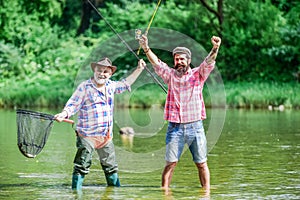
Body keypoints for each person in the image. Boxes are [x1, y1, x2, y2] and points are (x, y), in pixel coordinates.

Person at [139, 35, 221, 192]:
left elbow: (209, 62)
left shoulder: (198, 75)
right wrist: (146, 48)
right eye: (176, 59)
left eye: (182, 59)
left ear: (188, 61)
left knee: (201, 163)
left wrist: (215, 48)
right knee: (170, 163)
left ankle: (206, 193)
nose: (179, 62)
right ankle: (165, 193)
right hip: (175, 128)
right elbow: (157, 63)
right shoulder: (169, 75)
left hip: (196, 127)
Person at [55, 57, 145, 190]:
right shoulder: (85, 87)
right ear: (94, 70)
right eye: (99, 70)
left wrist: (139, 69)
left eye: (105, 72)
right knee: (82, 165)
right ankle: (75, 193)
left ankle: (115, 193)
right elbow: (73, 104)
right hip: (87, 135)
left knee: (111, 167)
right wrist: (63, 114)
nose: (102, 74)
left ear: (110, 74)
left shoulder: (111, 86)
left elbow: (125, 83)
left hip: (105, 136)